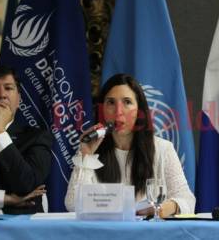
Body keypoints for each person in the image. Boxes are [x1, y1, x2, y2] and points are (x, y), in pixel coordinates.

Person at [65, 73, 195, 217]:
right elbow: (73, 204)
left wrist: (161, 208)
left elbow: (188, 201)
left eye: (127, 102)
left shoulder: (163, 149)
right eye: (111, 102)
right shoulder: (91, 149)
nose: (118, 112)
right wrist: (86, 155)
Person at [0, 64, 53, 214]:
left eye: (9, 88)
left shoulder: (38, 138)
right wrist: (6, 198)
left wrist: (0, 133)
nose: (2, 94)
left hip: (19, 229)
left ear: (19, 99)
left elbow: (26, 185)